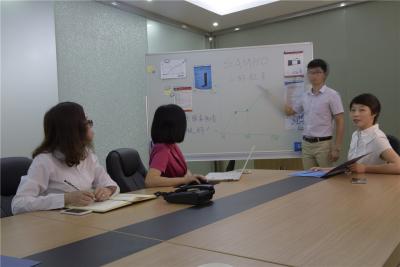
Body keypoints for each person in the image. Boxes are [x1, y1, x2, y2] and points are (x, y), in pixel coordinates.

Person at [12, 102, 119, 215]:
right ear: (73, 130)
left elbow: (112, 185)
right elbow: (18, 204)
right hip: (55, 225)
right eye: (87, 122)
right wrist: (65, 198)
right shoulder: (44, 161)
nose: (90, 126)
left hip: (86, 220)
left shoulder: (88, 155)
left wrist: (107, 190)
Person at [285, 59, 345, 169]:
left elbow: (340, 121)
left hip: (324, 144)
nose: (314, 76)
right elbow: (290, 112)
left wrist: (337, 147)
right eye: (311, 72)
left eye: (317, 72)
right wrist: (287, 93)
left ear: (325, 74)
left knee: (326, 179)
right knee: (308, 178)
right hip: (306, 144)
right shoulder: (304, 96)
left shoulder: (332, 95)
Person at [145, 104, 206, 187]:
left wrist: (192, 178)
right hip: (166, 197)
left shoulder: (172, 145)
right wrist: (184, 180)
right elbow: (150, 181)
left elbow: (184, 172)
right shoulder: (162, 149)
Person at [347, 94, 400, 174]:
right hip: (355, 181)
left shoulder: (377, 138)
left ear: (374, 113)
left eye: (362, 110)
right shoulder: (355, 134)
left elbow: (398, 166)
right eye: (353, 110)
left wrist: (365, 168)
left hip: (373, 184)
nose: (356, 114)